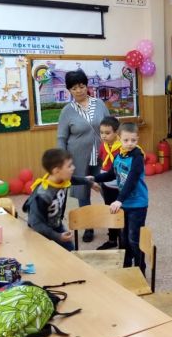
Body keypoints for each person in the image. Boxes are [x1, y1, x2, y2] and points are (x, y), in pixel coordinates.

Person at [57, 69, 110, 243]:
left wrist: (116, 149)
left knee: (107, 188)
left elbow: (111, 126)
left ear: (87, 86)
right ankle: (88, 226)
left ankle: (114, 223)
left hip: (102, 155)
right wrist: (62, 161)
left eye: (81, 86)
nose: (79, 91)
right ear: (69, 90)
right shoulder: (67, 111)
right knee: (82, 193)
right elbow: (61, 137)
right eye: (74, 88)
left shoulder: (99, 104)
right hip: (78, 158)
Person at [93, 123, 148, 270]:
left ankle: (140, 268)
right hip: (124, 204)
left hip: (137, 204)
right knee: (124, 238)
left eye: (133, 140)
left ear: (137, 139)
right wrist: (94, 178)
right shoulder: (119, 156)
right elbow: (111, 174)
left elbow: (131, 180)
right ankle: (126, 266)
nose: (130, 143)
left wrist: (119, 200)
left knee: (134, 239)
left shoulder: (137, 157)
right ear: (120, 139)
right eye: (126, 140)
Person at [22, 148, 90, 251]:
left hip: (56, 225)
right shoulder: (43, 194)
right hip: (41, 232)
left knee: (70, 253)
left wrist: (88, 182)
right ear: (56, 171)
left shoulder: (60, 180)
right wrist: (57, 236)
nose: (73, 168)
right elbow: (35, 223)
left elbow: (72, 179)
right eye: (69, 166)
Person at [96, 116, 122, 250]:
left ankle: (124, 239)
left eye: (107, 133)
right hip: (107, 184)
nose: (103, 136)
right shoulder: (103, 146)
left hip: (121, 186)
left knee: (122, 212)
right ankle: (112, 239)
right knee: (110, 211)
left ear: (116, 132)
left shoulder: (123, 147)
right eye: (101, 133)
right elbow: (102, 161)